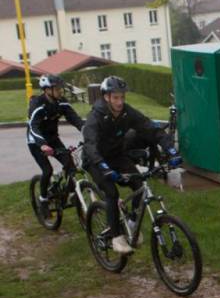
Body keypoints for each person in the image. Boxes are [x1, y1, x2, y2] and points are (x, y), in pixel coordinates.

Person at [82, 76, 182, 254]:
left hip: (116, 157)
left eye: (122, 97)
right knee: (112, 193)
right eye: (115, 98)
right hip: (95, 160)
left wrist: (171, 150)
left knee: (139, 185)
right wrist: (104, 168)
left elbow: (151, 128)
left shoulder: (127, 112)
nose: (120, 102)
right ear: (106, 97)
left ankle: (132, 223)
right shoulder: (95, 117)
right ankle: (116, 238)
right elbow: (90, 146)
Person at [27, 74, 85, 218]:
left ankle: (70, 194)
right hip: (36, 141)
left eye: (60, 88)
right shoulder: (38, 104)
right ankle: (43, 200)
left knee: (70, 165)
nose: (60, 91)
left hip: (53, 138)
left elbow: (75, 119)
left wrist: (87, 131)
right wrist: (42, 145)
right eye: (57, 89)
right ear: (47, 90)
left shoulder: (61, 103)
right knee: (47, 171)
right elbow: (33, 127)